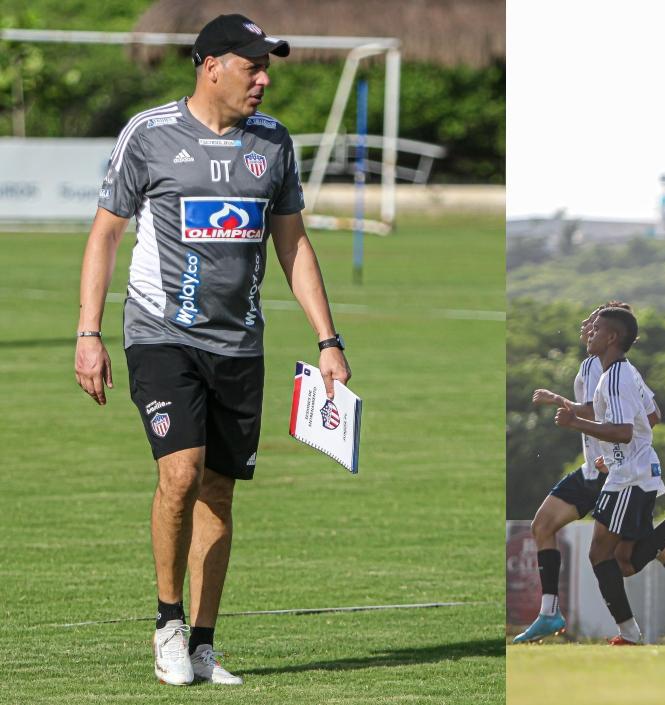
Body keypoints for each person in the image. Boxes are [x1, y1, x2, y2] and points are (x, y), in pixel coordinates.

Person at [73, 15, 349, 686]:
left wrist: (328, 338)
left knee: (219, 491)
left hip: (239, 347)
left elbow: (293, 244)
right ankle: (167, 623)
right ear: (211, 66)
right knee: (180, 473)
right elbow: (106, 234)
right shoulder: (150, 134)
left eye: (267, 66)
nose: (265, 78)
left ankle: (202, 642)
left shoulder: (274, 143)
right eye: (253, 65)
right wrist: (89, 332)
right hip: (161, 334)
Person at [516, 303, 665, 643]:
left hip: (627, 476)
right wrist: (612, 446)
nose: (589, 330)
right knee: (624, 559)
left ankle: (630, 631)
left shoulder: (614, 374)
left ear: (613, 336)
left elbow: (622, 430)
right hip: (623, 472)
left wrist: (579, 423)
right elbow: (646, 416)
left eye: (596, 326)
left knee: (611, 557)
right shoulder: (615, 372)